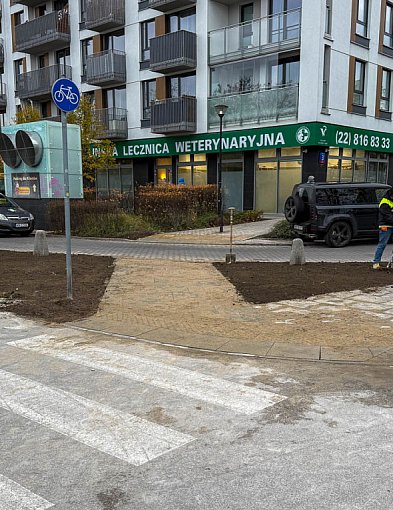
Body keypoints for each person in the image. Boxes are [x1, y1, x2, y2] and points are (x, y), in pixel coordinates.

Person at [372, 187, 393, 269]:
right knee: (382, 244)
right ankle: (376, 262)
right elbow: (388, 217)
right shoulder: (384, 202)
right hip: (385, 226)